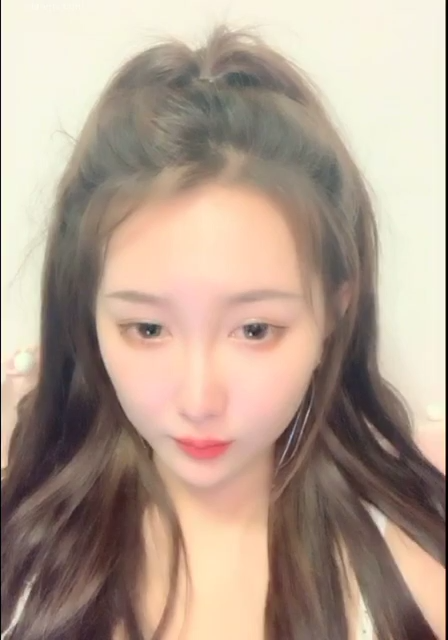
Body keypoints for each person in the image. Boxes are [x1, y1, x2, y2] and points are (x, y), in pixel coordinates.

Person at [1, 25, 445, 640]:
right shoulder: (23, 556)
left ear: (334, 313)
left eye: (255, 330)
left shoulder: (415, 586)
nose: (199, 400)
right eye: (147, 329)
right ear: (87, 316)